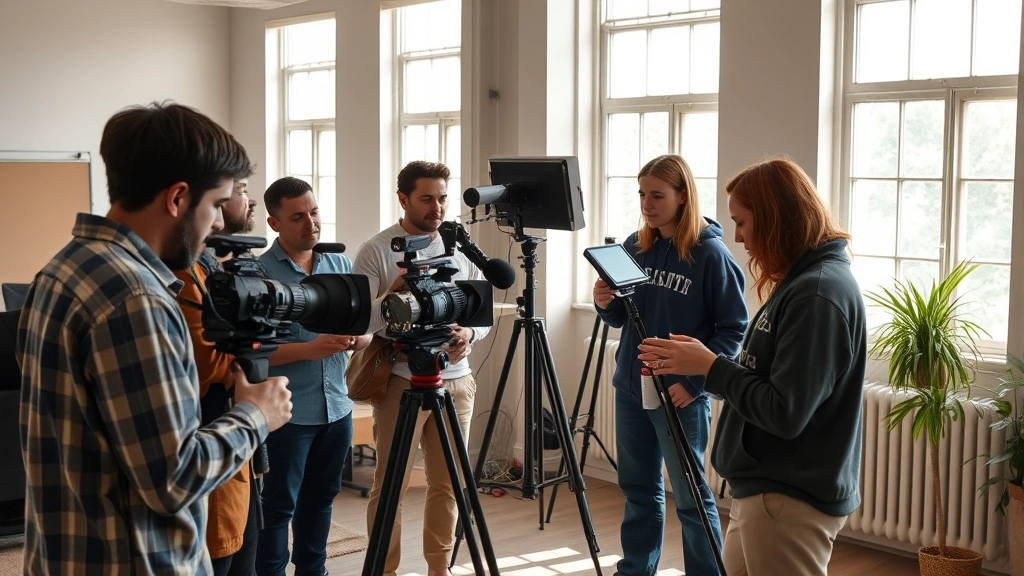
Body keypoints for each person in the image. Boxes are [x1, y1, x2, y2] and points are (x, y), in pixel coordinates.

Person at [17, 102, 293, 574]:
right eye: (214, 205)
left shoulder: (61, 271)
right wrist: (257, 416)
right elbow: (173, 478)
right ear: (177, 198)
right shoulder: (136, 298)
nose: (220, 224)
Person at [637, 157, 866, 575]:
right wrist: (708, 366)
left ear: (776, 219)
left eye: (742, 223)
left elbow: (785, 410)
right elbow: (765, 377)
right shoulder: (801, 283)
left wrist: (709, 368)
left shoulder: (817, 294)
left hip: (787, 499)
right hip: (763, 493)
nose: (738, 238)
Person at [593, 154, 747, 576]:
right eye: (642, 194)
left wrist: (694, 385)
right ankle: (635, 570)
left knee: (691, 498)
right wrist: (604, 302)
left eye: (657, 195)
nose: (647, 203)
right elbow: (622, 319)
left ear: (683, 196)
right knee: (638, 490)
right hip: (631, 387)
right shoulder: (634, 246)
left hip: (679, 395)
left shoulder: (711, 255)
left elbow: (735, 329)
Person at [354, 160, 490, 576]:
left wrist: (469, 334)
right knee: (389, 486)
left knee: (449, 483)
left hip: (457, 381)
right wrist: (392, 297)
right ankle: (384, 569)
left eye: (443, 198)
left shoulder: (458, 246)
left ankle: (439, 567)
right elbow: (359, 323)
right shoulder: (377, 250)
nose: (437, 207)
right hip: (400, 381)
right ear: (403, 199)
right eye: (427, 198)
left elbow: (479, 314)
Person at [256, 177, 367, 576]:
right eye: (298, 216)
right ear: (274, 223)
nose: (311, 223)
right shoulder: (258, 272)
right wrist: (310, 349)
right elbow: (251, 351)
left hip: (337, 406)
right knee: (278, 506)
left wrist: (358, 338)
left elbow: (363, 330)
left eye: (314, 212)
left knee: (321, 500)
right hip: (286, 413)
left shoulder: (339, 262)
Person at [174, 177, 261, 576]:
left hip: (234, 444)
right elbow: (208, 366)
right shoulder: (185, 276)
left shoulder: (211, 267)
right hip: (215, 435)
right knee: (223, 554)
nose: (246, 199)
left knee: (244, 546)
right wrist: (246, 359)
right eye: (236, 192)